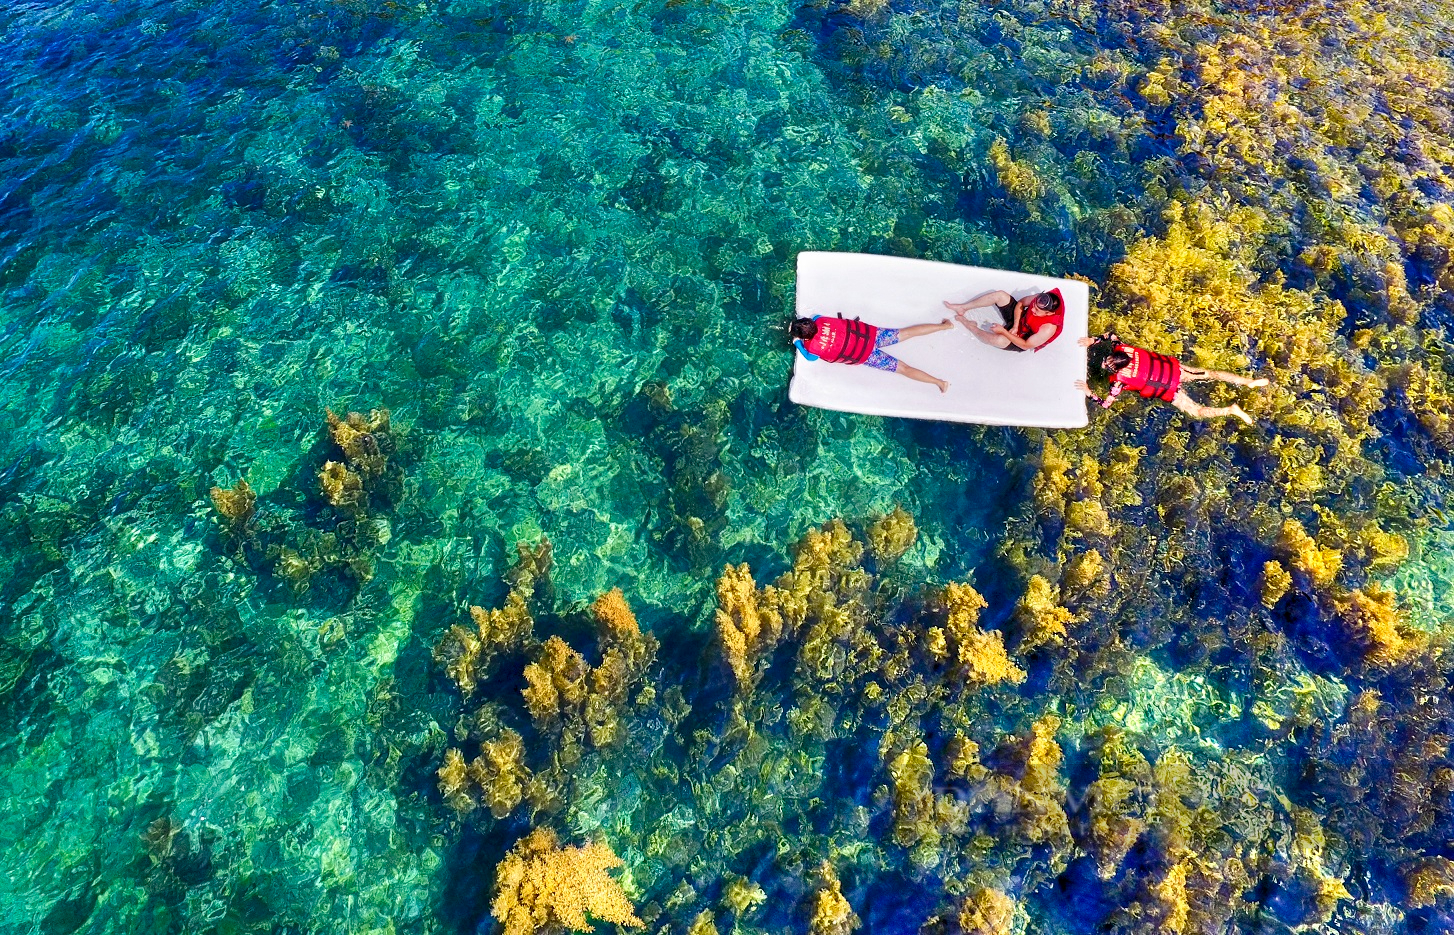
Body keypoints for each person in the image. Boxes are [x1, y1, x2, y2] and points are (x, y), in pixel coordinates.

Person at [1074, 333, 1269, 425]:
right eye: (1107, 361)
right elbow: (1111, 335)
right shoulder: (1124, 349)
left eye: (1108, 366)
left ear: (1118, 368)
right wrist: (1093, 340)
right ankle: (1247, 382)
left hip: (1171, 390)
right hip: (1178, 371)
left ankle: (1230, 410)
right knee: (1210, 373)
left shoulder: (1118, 382)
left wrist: (1088, 391)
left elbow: (1106, 404)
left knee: (1198, 412)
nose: (1104, 364)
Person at [790, 315, 954, 393]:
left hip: (866, 355)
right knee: (907, 333)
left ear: (805, 338)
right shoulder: (820, 320)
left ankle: (940, 383)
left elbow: (810, 357)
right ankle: (945, 327)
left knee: (904, 369)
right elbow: (816, 316)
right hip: (873, 336)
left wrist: (798, 342)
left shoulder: (813, 348)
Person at [943, 288, 1064, 352]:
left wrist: (1004, 332)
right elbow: (1021, 303)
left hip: (1023, 338)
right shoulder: (1039, 299)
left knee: (999, 340)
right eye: (1034, 306)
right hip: (1020, 321)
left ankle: (970, 325)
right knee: (1000, 295)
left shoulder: (1048, 328)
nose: (1032, 310)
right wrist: (1015, 326)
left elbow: (1026, 345)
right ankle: (963, 307)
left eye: (1037, 311)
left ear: (1049, 313)